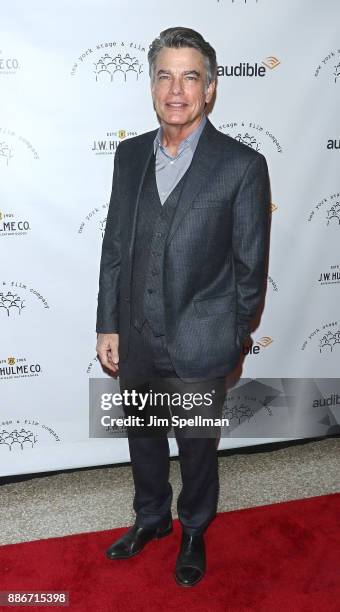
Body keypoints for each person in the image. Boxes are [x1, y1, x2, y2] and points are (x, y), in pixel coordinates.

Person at [96, 26, 270, 587]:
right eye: (165, 76)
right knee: (142, 433)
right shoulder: (127, 157)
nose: (176, 90)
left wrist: (234, 339)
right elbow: (116, 246)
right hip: (136, 333)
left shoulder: (242, 165)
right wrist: (108, 325)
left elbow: (251, 270)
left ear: (211, 88)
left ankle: (194, 527)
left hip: (202, 340)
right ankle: (152, 518)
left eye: (189, 76)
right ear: (151, 87)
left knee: (197, 447)